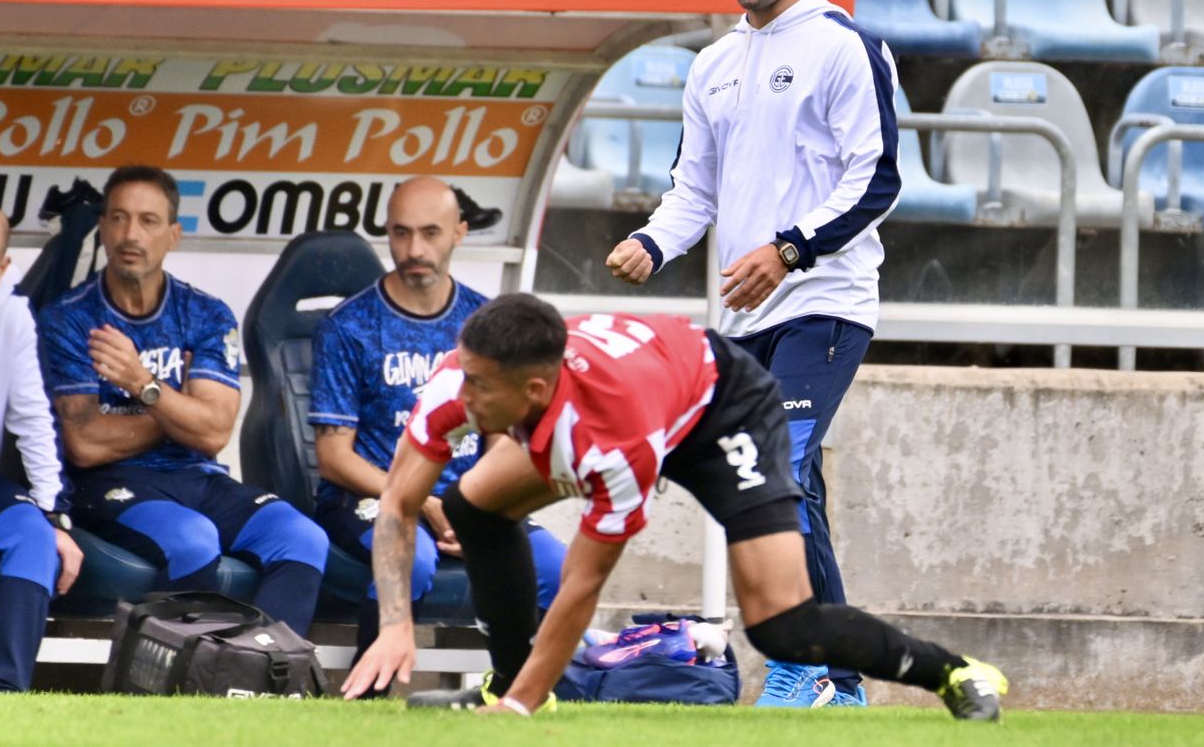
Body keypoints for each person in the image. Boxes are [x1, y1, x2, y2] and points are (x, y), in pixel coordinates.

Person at [342, 294, 1007, 719]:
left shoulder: (609, 438)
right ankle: (509, 682)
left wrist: (518, 710)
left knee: (782, 623)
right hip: (638, 390)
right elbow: (399, 503)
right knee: (473, 504)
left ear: (535, 387)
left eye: (482, 389)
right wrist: (397, 622)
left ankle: (953, 671)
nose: (467, 403)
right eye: (469, 378)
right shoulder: (461, 382)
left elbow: (581, 585)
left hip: (721, 408)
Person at [604, 0, 901, 707]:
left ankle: (805, 661)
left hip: (825, 301)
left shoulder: (843, 45)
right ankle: (839, 682)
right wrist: (652, 241)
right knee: (783, 485)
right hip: (744, 312)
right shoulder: (715, 64)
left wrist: (791, 248)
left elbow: (877, 179)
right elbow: (693, 190)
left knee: (787, 466)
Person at [38, 165, 328, 635]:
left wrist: (143, 385)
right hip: (109, 485)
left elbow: (214, 433)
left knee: (301, 538)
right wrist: (181, 410)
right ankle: (184, 688)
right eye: (119, 218)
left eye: (149, 221)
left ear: (174, 234)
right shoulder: (69, 319)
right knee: (193, 540)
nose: (132, 234)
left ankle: (263, 678)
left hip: (197, 478)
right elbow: (86, 445)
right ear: (104, 227)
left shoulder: (206, 313)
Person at [308, 176, 564, 663]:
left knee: (555, 564)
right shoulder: (348, 327)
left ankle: (528, 701)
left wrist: (477, 509)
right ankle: (370, 702)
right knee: (414, 562)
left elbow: (504, 439)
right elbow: (333, 458)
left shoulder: (485, 323)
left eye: (430, 233)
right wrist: (423, 502)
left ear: (460, 232)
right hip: (370, 499)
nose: (414, 249)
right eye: (401, 233)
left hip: (466, 501)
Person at [0, 200, 84, 692]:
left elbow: (33, 420)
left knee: (33, 535)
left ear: (2, 267)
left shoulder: (14, 318)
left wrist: (53, 515)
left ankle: (9, 693)